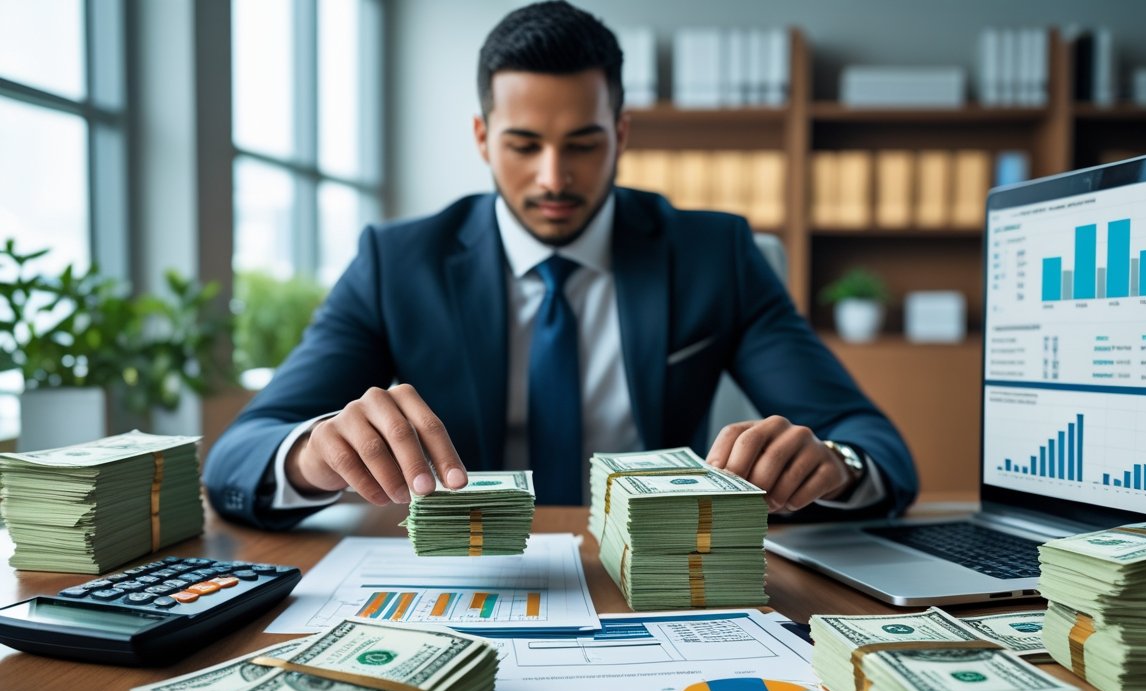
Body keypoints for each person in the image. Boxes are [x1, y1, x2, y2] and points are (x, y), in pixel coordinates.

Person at [204, 1, 917, 530]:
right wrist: (309, 455)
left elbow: (875, 443)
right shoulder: (399, 263)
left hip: (655, 569)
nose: (553, 177)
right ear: (482, 137)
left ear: (622, 134)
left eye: (582, 143)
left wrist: (835, 464)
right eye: (523, 145)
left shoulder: (716, 256)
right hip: (474, 569)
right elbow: (239, 454)